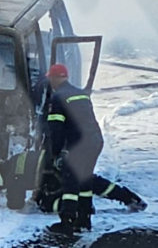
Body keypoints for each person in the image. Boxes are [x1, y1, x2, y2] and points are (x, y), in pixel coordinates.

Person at [0, 149, 147, 214]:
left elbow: (15, 204)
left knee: (45, 204)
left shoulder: (12, 178)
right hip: (64, 160)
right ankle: (129, 197)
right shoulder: (15, 159)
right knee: (92, 182)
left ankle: (79, 207)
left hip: (55, 175)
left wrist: (9, 200)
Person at [46, 64, 104, 236]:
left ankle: (67, 222)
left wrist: (56, 153)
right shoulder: (81, 94)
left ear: (56, 78)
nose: (50, 81)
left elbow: (56, 130)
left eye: (50, 78)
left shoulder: (57, 98)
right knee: (85, 181)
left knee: (70, 182)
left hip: (80, 145)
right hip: (95, 142)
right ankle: (84, 220)